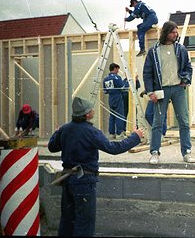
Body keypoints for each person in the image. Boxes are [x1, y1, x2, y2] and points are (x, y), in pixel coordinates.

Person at [48, 96, 143, 237]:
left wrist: (57, 132)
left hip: (68, 181)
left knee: (67, 222)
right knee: (84, 224)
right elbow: (114, 148)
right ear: (87, 114)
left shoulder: (66, 129)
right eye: (92, 109)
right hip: (84, 182)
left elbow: (52, 147)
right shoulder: (91, 132)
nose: (94, 110)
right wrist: (135, 137)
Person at [143, 20, 194, 164]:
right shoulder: (154, 51)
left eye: (177, 32)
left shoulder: (181, 49)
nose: (176, 34)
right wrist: (150, 92)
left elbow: (188, 68)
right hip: (161, 90)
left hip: (178, 88)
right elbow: (147, 73)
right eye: (173, 32)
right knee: (157, 122)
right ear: (166, 32)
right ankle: (154, 152)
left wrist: (185, 80)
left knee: (183, 121)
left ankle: (187, 152)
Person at [103, 63, 125, 139]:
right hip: (117, 97)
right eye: (118, 69)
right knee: (119, 115)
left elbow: (105, 91)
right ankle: (119, 134)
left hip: (111, 98)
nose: (118, 71)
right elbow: (122, 87)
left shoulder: (106, 79)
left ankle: (111, 134)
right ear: (115, 68)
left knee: (112, 116)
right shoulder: (117, 77)